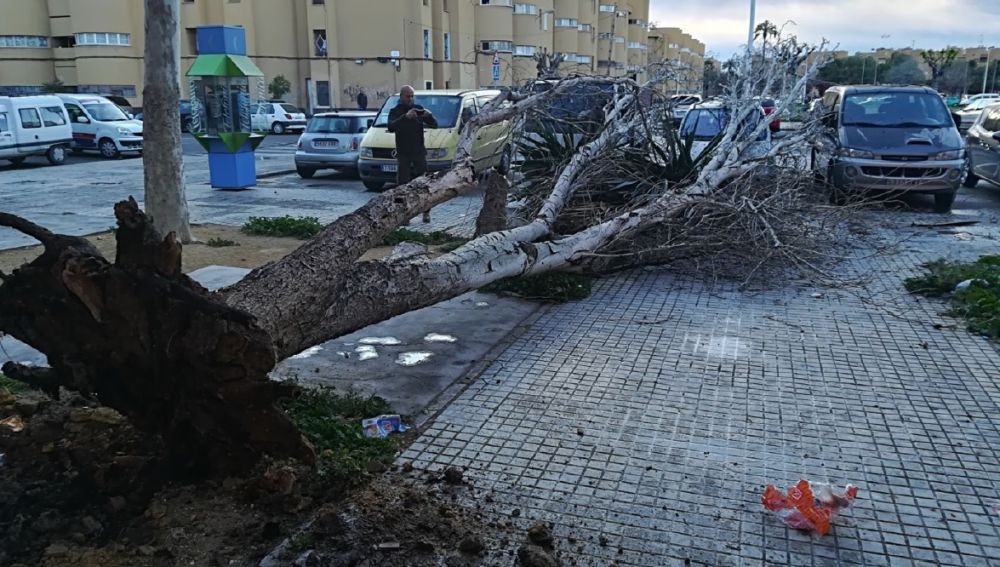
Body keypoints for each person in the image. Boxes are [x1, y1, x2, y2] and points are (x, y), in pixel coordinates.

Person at [386, 85, 437, 187]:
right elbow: (391, 127)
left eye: (412, 96)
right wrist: (405, 117)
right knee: (403, 182)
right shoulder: (395, 111)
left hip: (418, 150)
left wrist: (429, 116)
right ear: (401, 96)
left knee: (423, 180)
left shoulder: (418, 109)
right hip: (403, 152)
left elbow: (435, 125)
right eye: (408, 96)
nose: (410, 99)